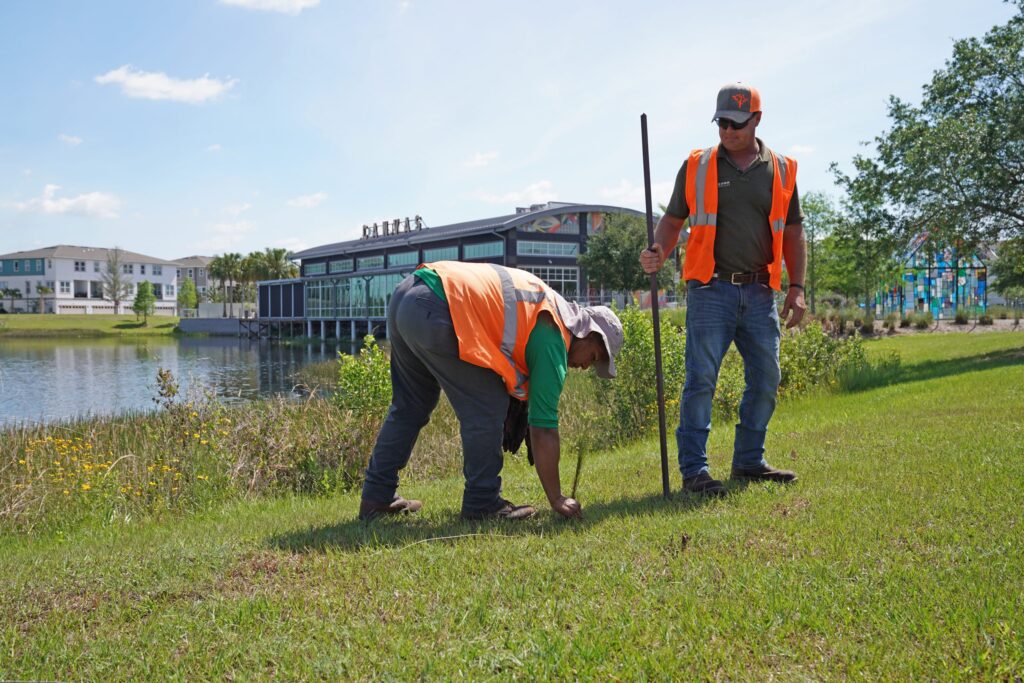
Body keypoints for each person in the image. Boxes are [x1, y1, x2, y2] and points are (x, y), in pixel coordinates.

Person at [359, 260, 624, 521]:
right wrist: (556, 498)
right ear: (589, 333)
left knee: (411, 406)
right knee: (487, 407)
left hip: (408, 295)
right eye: (596, 356)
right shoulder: (554, 334)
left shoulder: (547, 304)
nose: (588, 366)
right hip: (439, 306)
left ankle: (377, 497)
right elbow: (543, 428)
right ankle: (482, 501)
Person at [640, 83, 806, 496]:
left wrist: (798, 286)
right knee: (700, 382)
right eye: (721, 123)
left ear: (757, 120)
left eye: (736, 123)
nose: (727, 131)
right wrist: (659, 250)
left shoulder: (782, 170)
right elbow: (673, 221)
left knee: (767, 377)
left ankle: (749, 461)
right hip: (710, 292)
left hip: (759, 293)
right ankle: (694, 471)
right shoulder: (697, 165)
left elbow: (794, 232)